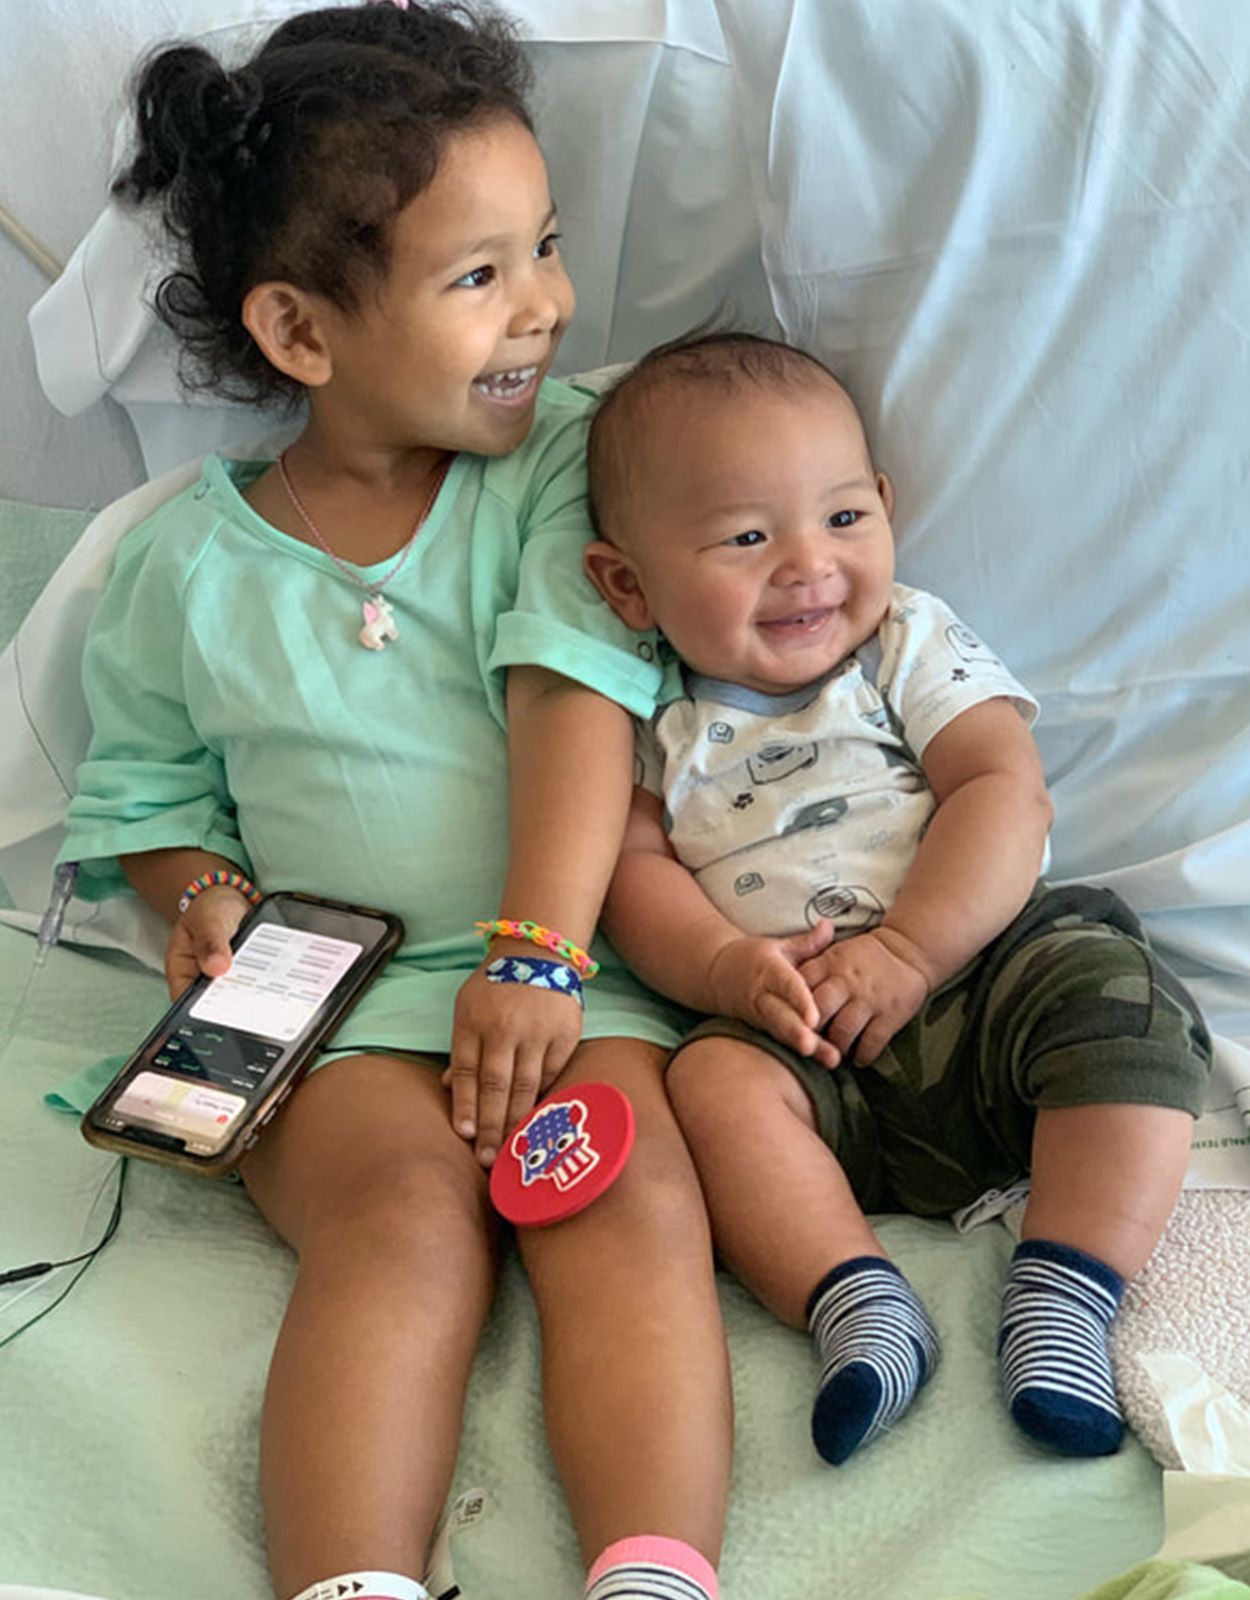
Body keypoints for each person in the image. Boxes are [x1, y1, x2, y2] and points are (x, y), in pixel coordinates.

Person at [60, 10, 730, 1600]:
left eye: (545, 246)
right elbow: (147, 792)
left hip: (567, 974)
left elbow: (574, 697)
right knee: (401, 1229)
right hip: (338, 1014)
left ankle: (650, 1574)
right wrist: (199, 893)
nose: (547, 304)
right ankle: (350, 1579)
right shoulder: (179, 566)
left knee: (626, 1203)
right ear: (300, 332)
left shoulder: (568, 466)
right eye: (480, 275)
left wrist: (536, 954)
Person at [582, 330, 1212, 1468]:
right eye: (745, 537)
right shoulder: (642, 715)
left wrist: (914, 949)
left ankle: (1066, 1293)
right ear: (628, 583)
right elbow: (629, 874)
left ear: (884, 502)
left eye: (841, 517)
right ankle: (858, 1302)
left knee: (1118, 993)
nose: (807, 565)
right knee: (709, 1087)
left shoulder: (904, 640)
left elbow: (1002, 788)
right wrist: (724, 968)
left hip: (982, 973)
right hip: (806, 1041)